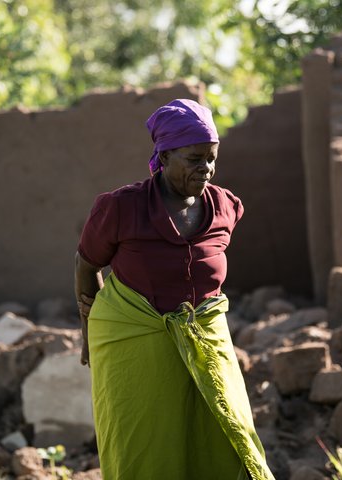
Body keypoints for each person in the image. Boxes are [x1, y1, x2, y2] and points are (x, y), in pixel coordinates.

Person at [74, 99, 275, 480]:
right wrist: (90, 332)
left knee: (229, 437)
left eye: (212, 158)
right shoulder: (121, 208)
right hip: (136, 346)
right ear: (164, 157)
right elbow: (86, 265)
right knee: (145, 448)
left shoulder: (226, 208)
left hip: (207, 342)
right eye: (195, 159)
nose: (207, 169)